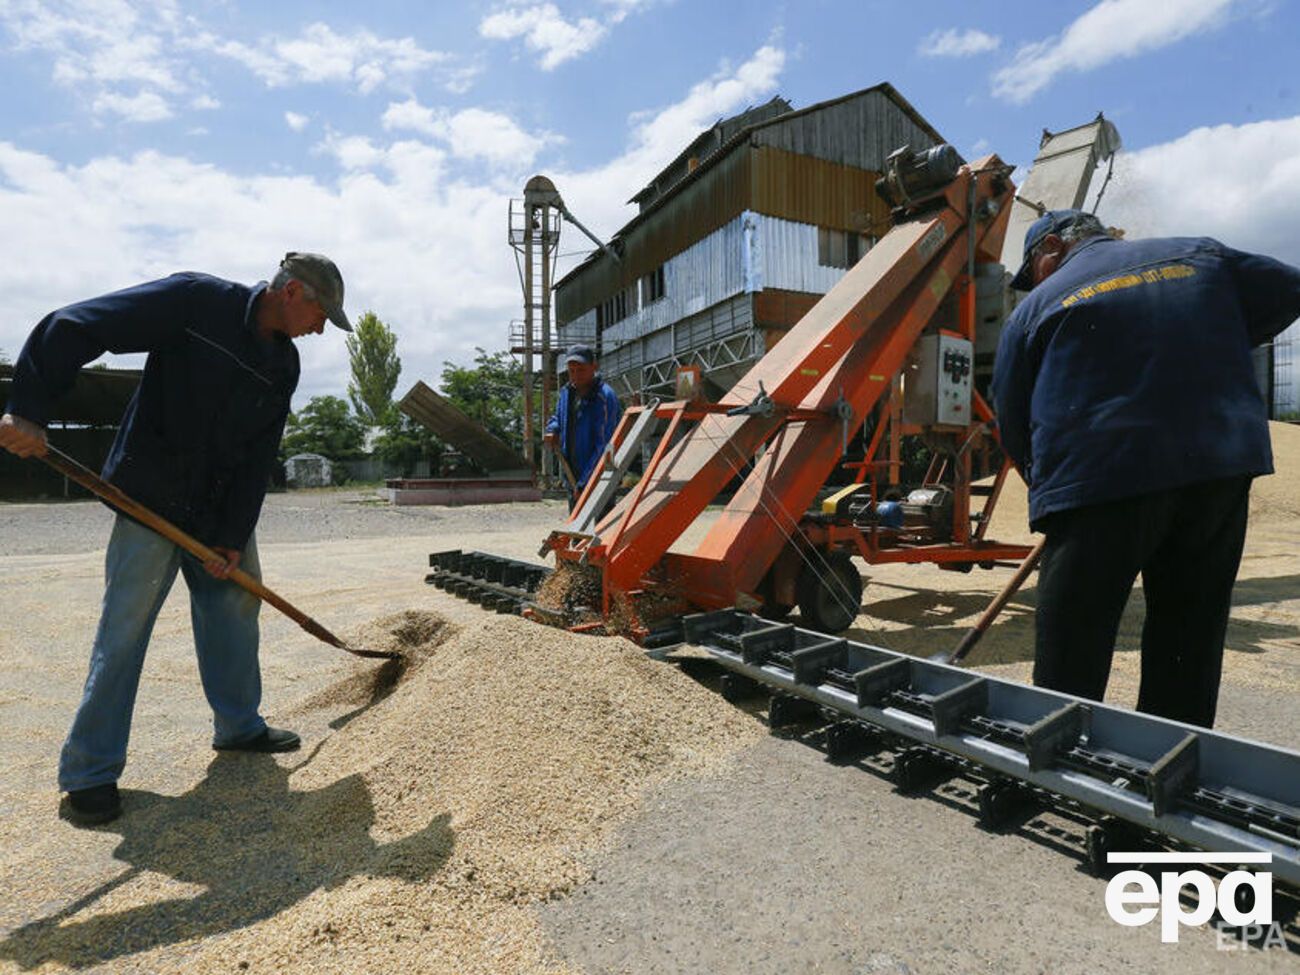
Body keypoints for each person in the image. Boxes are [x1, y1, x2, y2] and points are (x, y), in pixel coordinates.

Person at [0, 252, 352, 824]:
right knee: (124, 629)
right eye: (321, 314)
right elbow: (75, 325)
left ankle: (240, 726)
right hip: (149, 499)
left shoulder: (283, 363)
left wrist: (235, 534)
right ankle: (89, 773)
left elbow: (258, 453)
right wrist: (28, 409)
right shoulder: (193, 303)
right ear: (292, 292)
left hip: (216, 514)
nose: (319, 329)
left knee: (235, 607)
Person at [992, 209, 1300, 728]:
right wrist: (1208, 338)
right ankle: (1170, 765)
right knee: (1190, 627)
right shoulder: (1200, 253)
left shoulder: (1036, 307)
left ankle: (1060, 757)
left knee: (1076, 632)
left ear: (1050, 248)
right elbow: (1290, 289)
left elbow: (1011, 413)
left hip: (1096, 475)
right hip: (1218, 465)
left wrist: (1050, 490)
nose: (1033, 284)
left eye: (1031, 271)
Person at [544, 344, 621, 508]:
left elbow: (604, 447)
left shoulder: (604, 398)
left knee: (600, 529)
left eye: (581, 370)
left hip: (599, 479)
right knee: (577, 529)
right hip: (572, 476)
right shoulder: (566, 393)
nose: (576, 376)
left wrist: (585, 483)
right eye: (572, 371)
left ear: (594, 367)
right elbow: (558, 417)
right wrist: (552, 429)